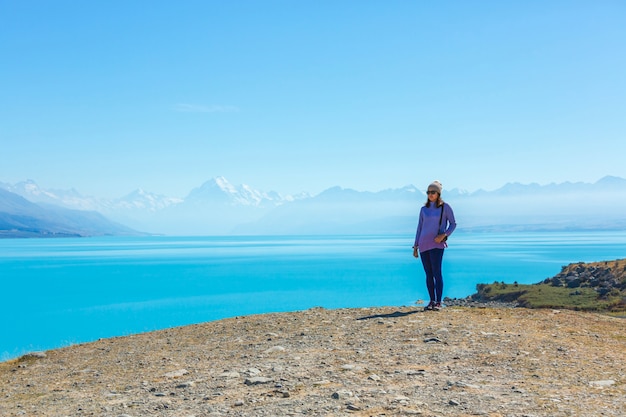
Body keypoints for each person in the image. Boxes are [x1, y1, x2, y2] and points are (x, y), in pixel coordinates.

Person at [413, 180, 457, 311]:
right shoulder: (423, 209)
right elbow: (419, 228)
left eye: (433, 192)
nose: (430, 194)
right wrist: (415, 246)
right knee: (428, 274)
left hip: (437, 245)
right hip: (423, 245)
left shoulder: (445, 207)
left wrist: (443, 235)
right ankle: (431, 301)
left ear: (438, 193)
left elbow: (453, 224)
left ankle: (438, 302)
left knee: (437, 273)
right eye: (428, 192)